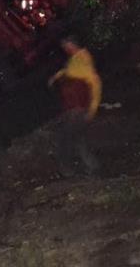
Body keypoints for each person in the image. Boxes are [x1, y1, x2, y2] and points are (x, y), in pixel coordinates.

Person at [47, 36, 102, 176]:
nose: (65, 49)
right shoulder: (74, 59)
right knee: (77, 136)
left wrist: (92, 107)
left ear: (72, 44)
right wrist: (57, 76)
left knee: (64, 138)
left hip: (78, 105)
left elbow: (94, 81)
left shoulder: (82, 59)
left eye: (66, 46)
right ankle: (92, 165)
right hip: (72, 104)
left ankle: (67, 170)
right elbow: (69, 71)